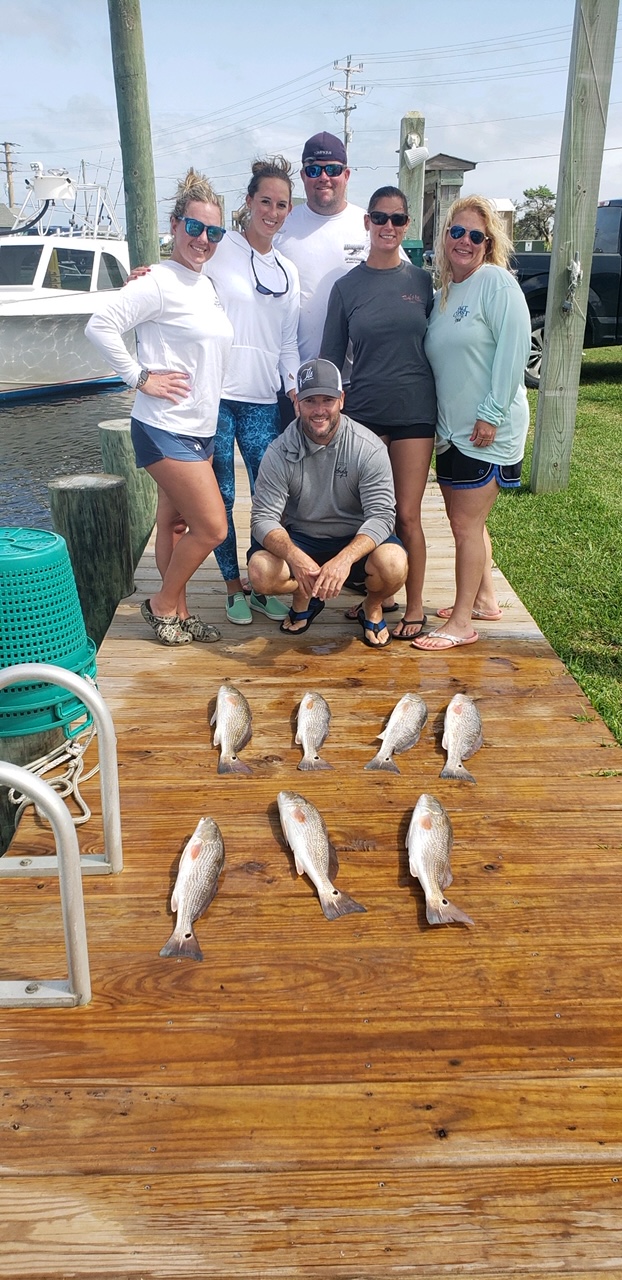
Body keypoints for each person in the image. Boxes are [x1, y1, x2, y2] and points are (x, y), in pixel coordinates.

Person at [86, 169, 233, 646]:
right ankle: (162, 604)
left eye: (214, 232)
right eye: (194, 227)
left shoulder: (205, 284)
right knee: (211, 526)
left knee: (175, 523)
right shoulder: (157, 282)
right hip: (163, 427)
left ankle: (181, 615)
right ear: (174, 225)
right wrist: (139, 377)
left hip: (200, 426)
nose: (203, 239)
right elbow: (99, 325)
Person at [412, 194, 531, 652]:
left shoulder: (496, 283)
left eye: (475, 235)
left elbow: (514, 350)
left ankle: (461, 622)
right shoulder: (444, 294)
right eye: (456, 232)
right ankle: (484, 599)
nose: (464, 241)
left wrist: (491, 414)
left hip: (485, 429)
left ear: (488, 243)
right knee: (472, 522)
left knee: (464, 527)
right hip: (453, 432)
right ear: (444, 239)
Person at [320, 185, 436, 641]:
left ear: (407, 227)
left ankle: (415, 605)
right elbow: (329, 360)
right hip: (364, 411)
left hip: (414, 412)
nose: (389, 227)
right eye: (380, 218)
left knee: (407, 515)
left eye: (398, 219)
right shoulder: (346, 287)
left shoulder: (422, 282)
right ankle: (381, 594)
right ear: (366, 223)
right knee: (368, 511)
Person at [247, 358, 408, 649]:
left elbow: (383, 515)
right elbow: (262, 519)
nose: (319, 410)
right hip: (301, 538)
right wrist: (296, 558)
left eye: (327, 400)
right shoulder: (278, 450)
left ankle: (371, 605)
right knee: (260, 572)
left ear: (342, 400)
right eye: (310, 401)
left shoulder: (368, 447)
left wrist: (345, 559)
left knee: (394, 564)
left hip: (353, 539)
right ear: (297, 402)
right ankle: (304, 595)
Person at [204, 157, 300, 626]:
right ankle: (231, 585)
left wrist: (296, 390)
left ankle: (261, 582)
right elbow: (182, 270)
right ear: (248, 202)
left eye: (282, 204)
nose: (274, 211)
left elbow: (287, 344)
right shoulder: (222, 248)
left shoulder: (288, 269)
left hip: (263, 400)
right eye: (266, 201)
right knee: (221, 495)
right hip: (218, 396)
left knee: (268, 495)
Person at [274, 132, 367, 372]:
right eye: (314, 170)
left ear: (346, 175)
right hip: (293, 380)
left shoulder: (370, 224)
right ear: (303, 176)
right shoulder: (280, 226)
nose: (324, 177)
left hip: (353, 383)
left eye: (333, 170)